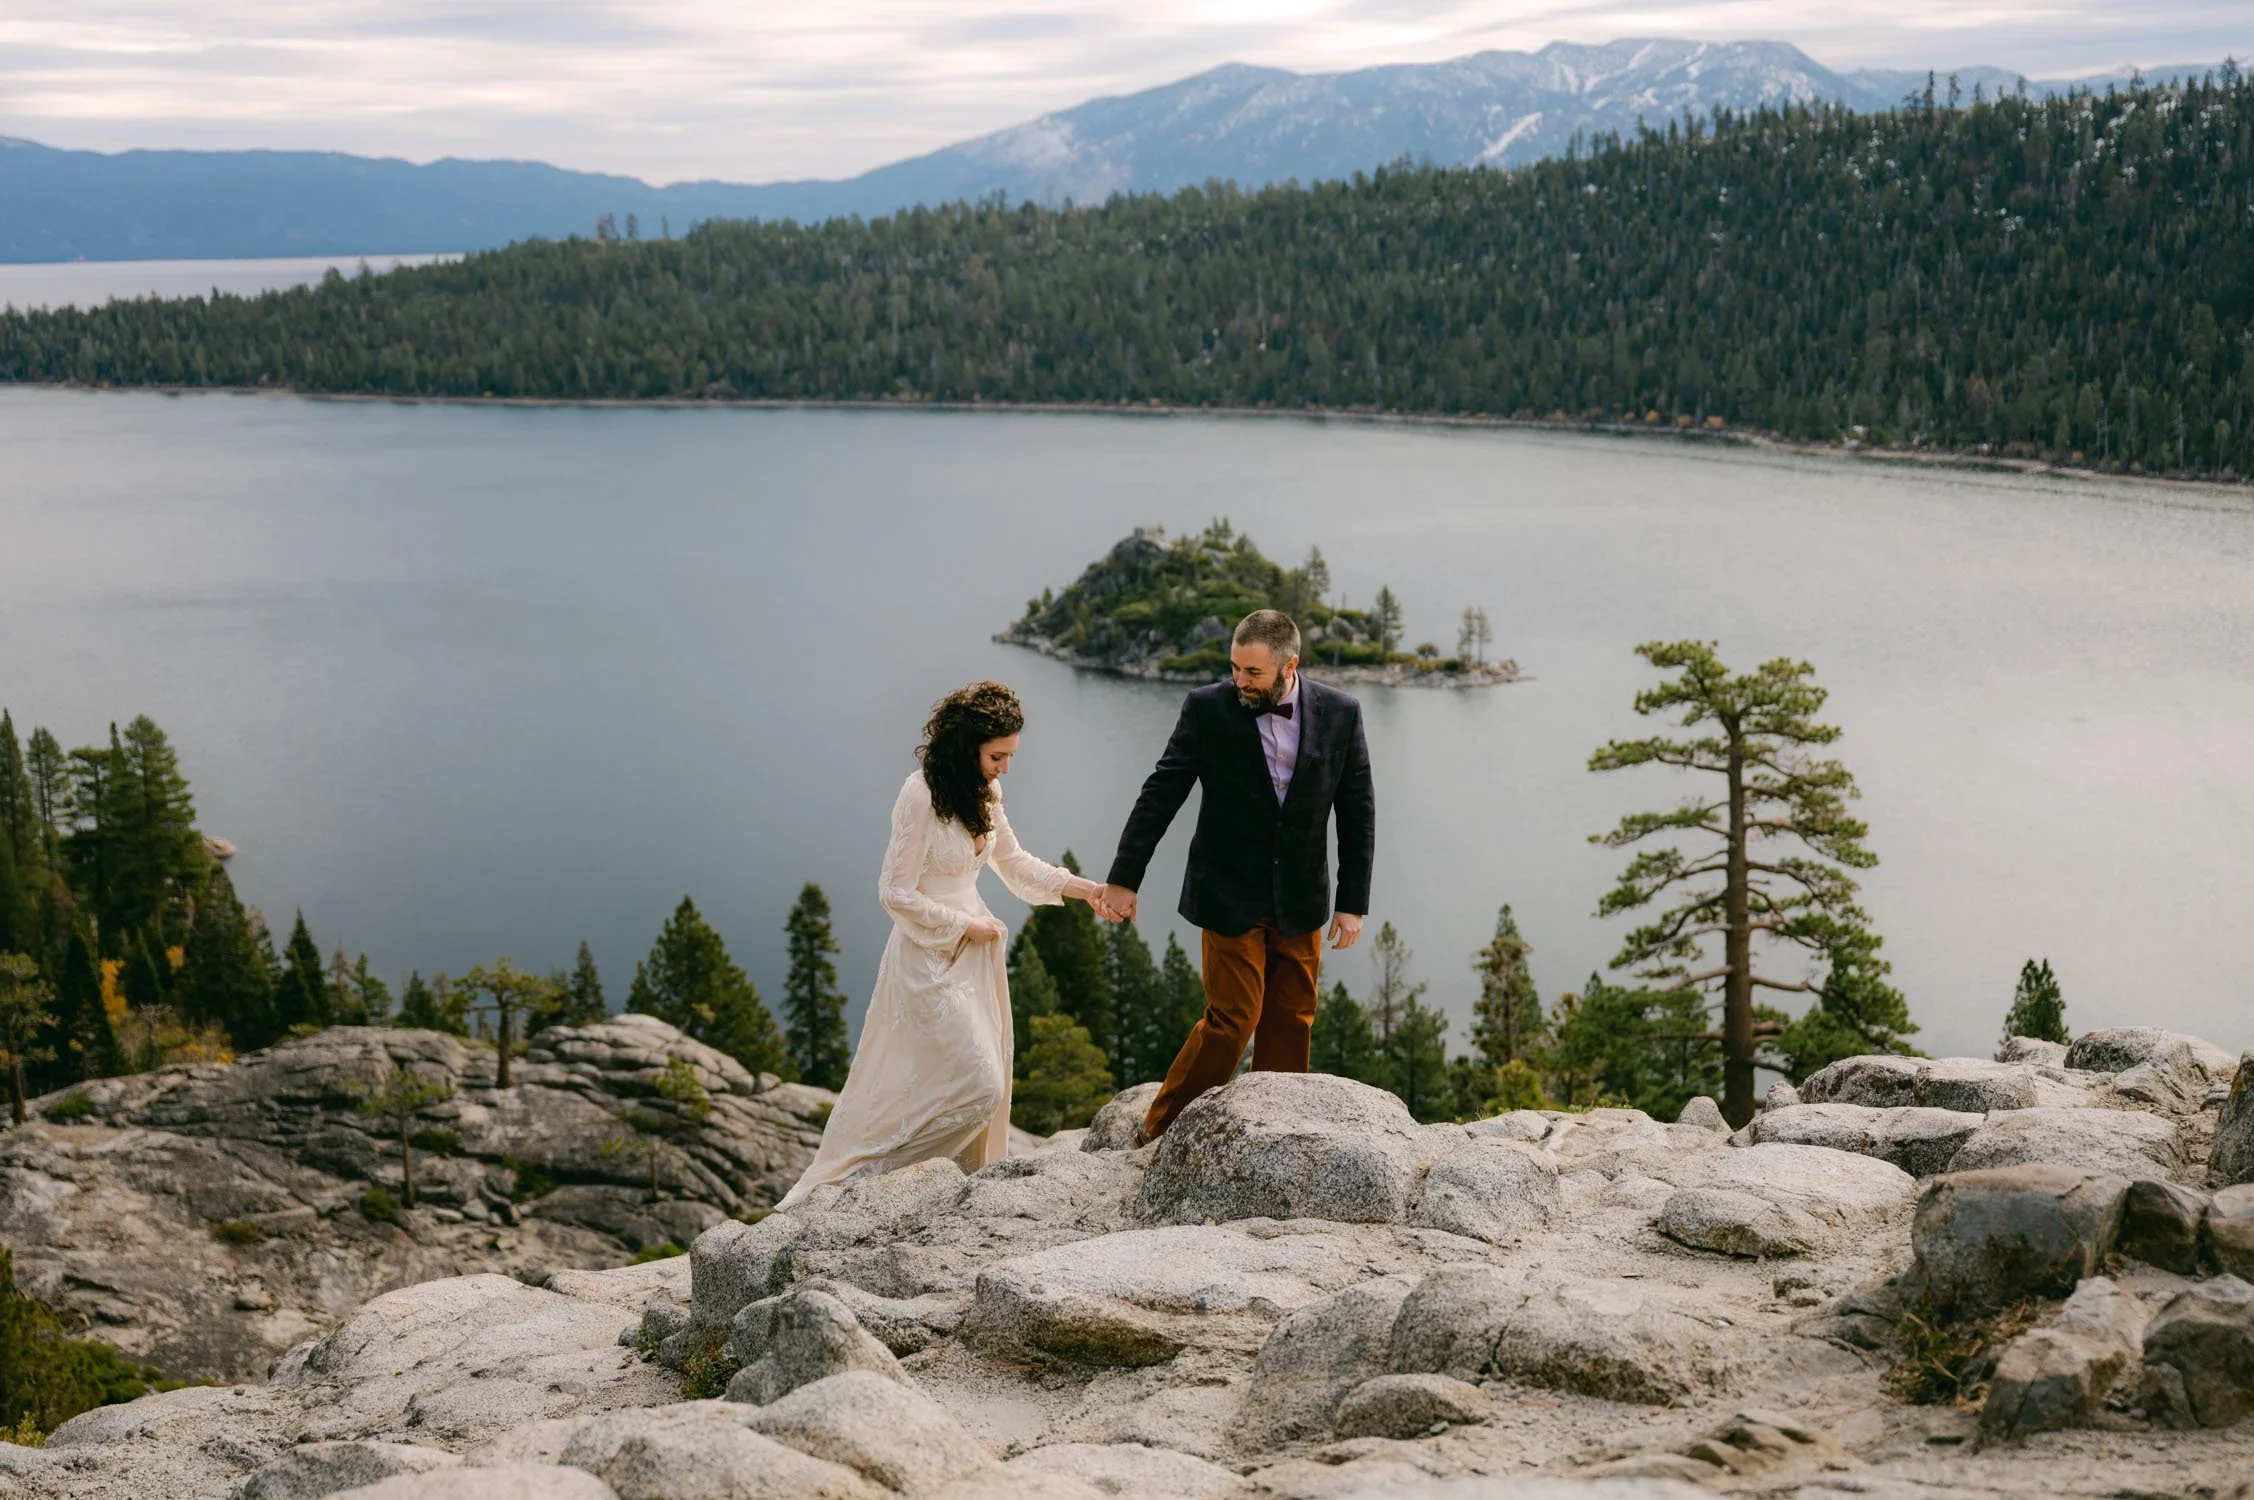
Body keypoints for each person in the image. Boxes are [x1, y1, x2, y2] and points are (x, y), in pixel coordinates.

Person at [777, 680, 1113, 1208]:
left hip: (975, 952)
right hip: (928, 957)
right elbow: (893, 891)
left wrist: (1087, 890)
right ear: (966, 747)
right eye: (997, 755)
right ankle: (868, 1188)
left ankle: (945, 1197)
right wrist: (961, 925)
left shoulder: (985, 792)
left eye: (1010, 755)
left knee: (973, 1081)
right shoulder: (920, 795)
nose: (1006, 767)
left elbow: (1014, 863)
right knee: (977, 1085)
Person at [1096, 609, 1376, 1143]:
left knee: (1291, 1020)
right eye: (1235, 669)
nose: (1239, 682)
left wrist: (1352, 901)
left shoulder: (1342, 712)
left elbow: (1357, 808)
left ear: (1289, 666)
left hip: (1300, 895)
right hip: (1226, 891)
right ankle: (1162, 1133)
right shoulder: (1207, 708)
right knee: (1233, 1018)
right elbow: (1163, 791)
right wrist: (1124, 878)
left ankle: (1276, 1135)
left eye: (1253, 673)